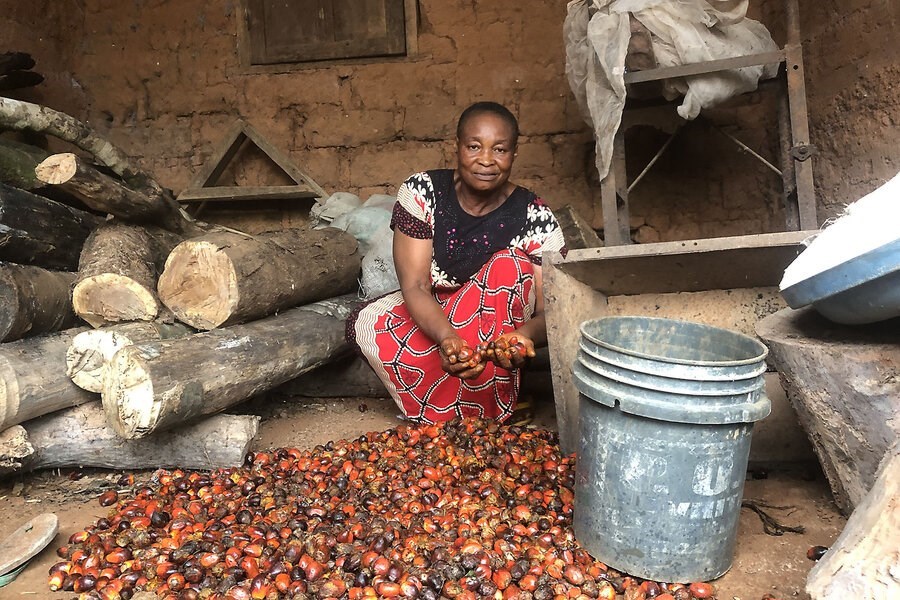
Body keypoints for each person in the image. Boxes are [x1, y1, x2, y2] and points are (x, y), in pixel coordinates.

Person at [347, 101, 566, 423]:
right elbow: (416, 285)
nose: (487, 160)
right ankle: (453, 408)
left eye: (500, 149)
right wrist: (449, 338)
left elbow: (556, 310)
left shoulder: (535, 216)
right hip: (436, 314)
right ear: (457, 147)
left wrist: (524, 337)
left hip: (499, 329)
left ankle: (494, 401)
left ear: (514, 154)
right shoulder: (422, 192)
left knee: (508, 265)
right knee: (368, 325)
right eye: (474, 147)